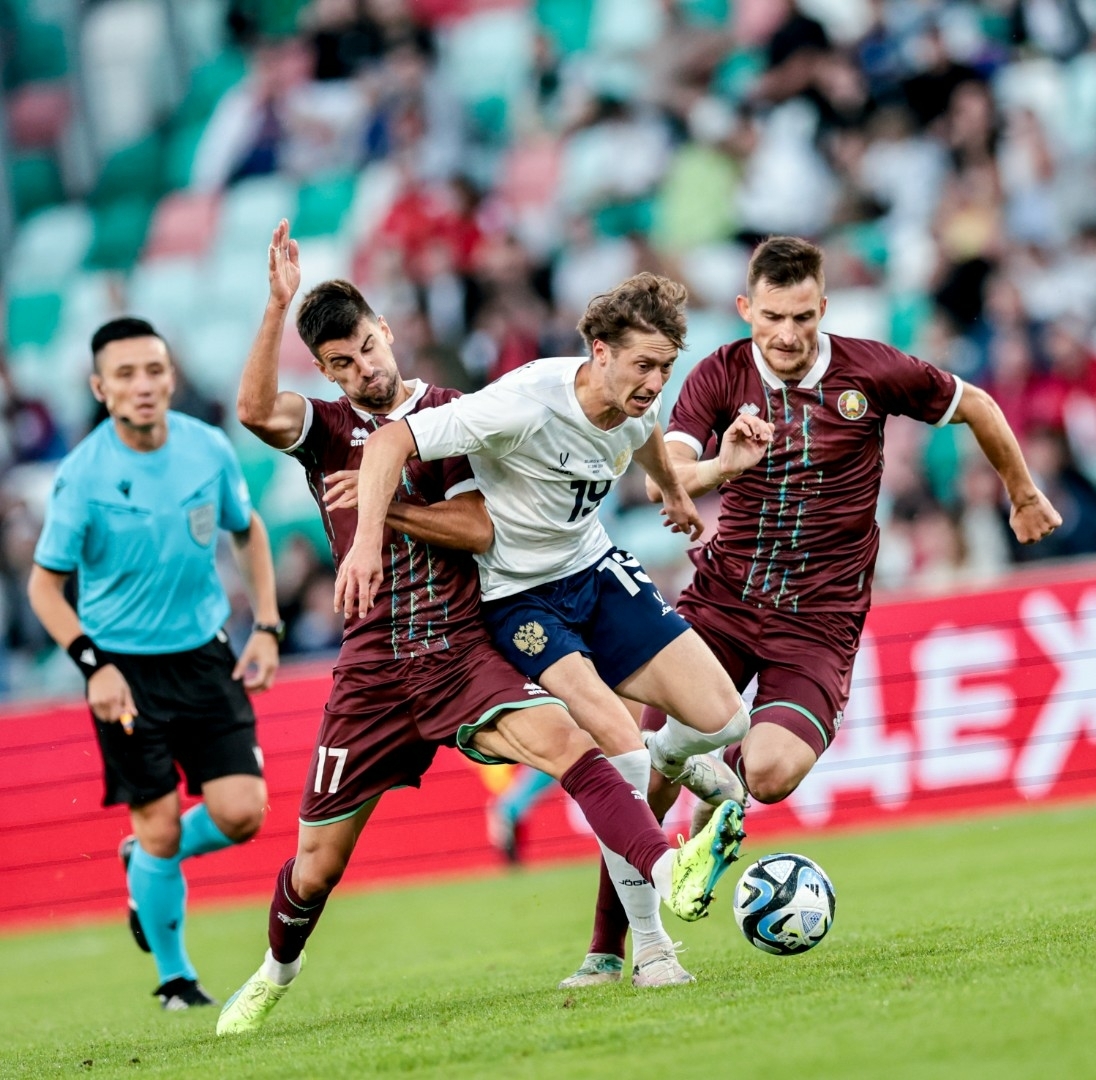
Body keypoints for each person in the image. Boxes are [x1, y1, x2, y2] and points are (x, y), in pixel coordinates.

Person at [216, 225, 744, 1035]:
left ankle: (668, 878)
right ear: (323, 370)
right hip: (371, 669)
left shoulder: (452, 413)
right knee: (317, 867)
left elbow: (478, 527)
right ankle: (274, 972)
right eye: (342, 364)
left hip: (461, 650)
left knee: (577, 747)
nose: (363, 370)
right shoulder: (325, 431)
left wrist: (378, 521)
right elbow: (254, 410)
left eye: (367, 348)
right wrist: (276, 305)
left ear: (386, 331)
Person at [565, 235, 1064, 986]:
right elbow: (668, 475)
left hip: (819, 624)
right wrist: (726, 463)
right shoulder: (719, 374)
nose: (788, 334)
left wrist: (1022, 493)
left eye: (803, 316)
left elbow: (979, 406)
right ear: (746, 309)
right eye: (773, 317)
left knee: (769, 773)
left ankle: (721, 790)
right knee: (646, 768)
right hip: (723, 602)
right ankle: (608, 948)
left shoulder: (871, 370)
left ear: (824, 308)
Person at [338, 271, 752, 989]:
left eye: (665, 367)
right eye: (644, 365)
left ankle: (672, 756)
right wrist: (368, 539)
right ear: (600, 352)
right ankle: (653, 951)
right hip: (521, 599)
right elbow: (388, 444)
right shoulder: (524, 401)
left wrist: (676, 491)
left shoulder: (634, 398)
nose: (655, 382)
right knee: (621, 755)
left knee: (726, 720)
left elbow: (647, 436)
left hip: (596, 570)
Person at [26, 317, 282, 1010]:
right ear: (100, 389)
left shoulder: (207, 448)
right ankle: (176, 980)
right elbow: (44, 587)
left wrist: (266, 625)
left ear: (171, 377)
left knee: (243, 813)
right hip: (124, 670)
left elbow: (247, 529)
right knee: (161, 823)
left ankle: (143, 864)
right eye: (126, 375)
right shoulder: (82, 476)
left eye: (154, 370)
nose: (143, 385)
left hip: (204, 655)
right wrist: (93, 667)